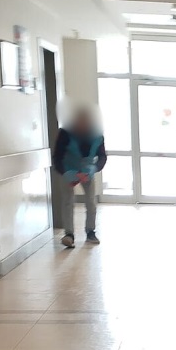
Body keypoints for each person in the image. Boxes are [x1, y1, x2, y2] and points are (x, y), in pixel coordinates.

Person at [53, 105, 106, 248]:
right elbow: (57, 157)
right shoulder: (65, 134)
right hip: (67, 169)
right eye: (80, 122)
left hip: (87, 171)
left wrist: (93, 168)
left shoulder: (97, 135)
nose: (82, 125)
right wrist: (68, 173)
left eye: (86, 122)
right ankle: (69, 235)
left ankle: (90, 232)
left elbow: (102, 156)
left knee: (90, 202)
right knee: (68, 201)